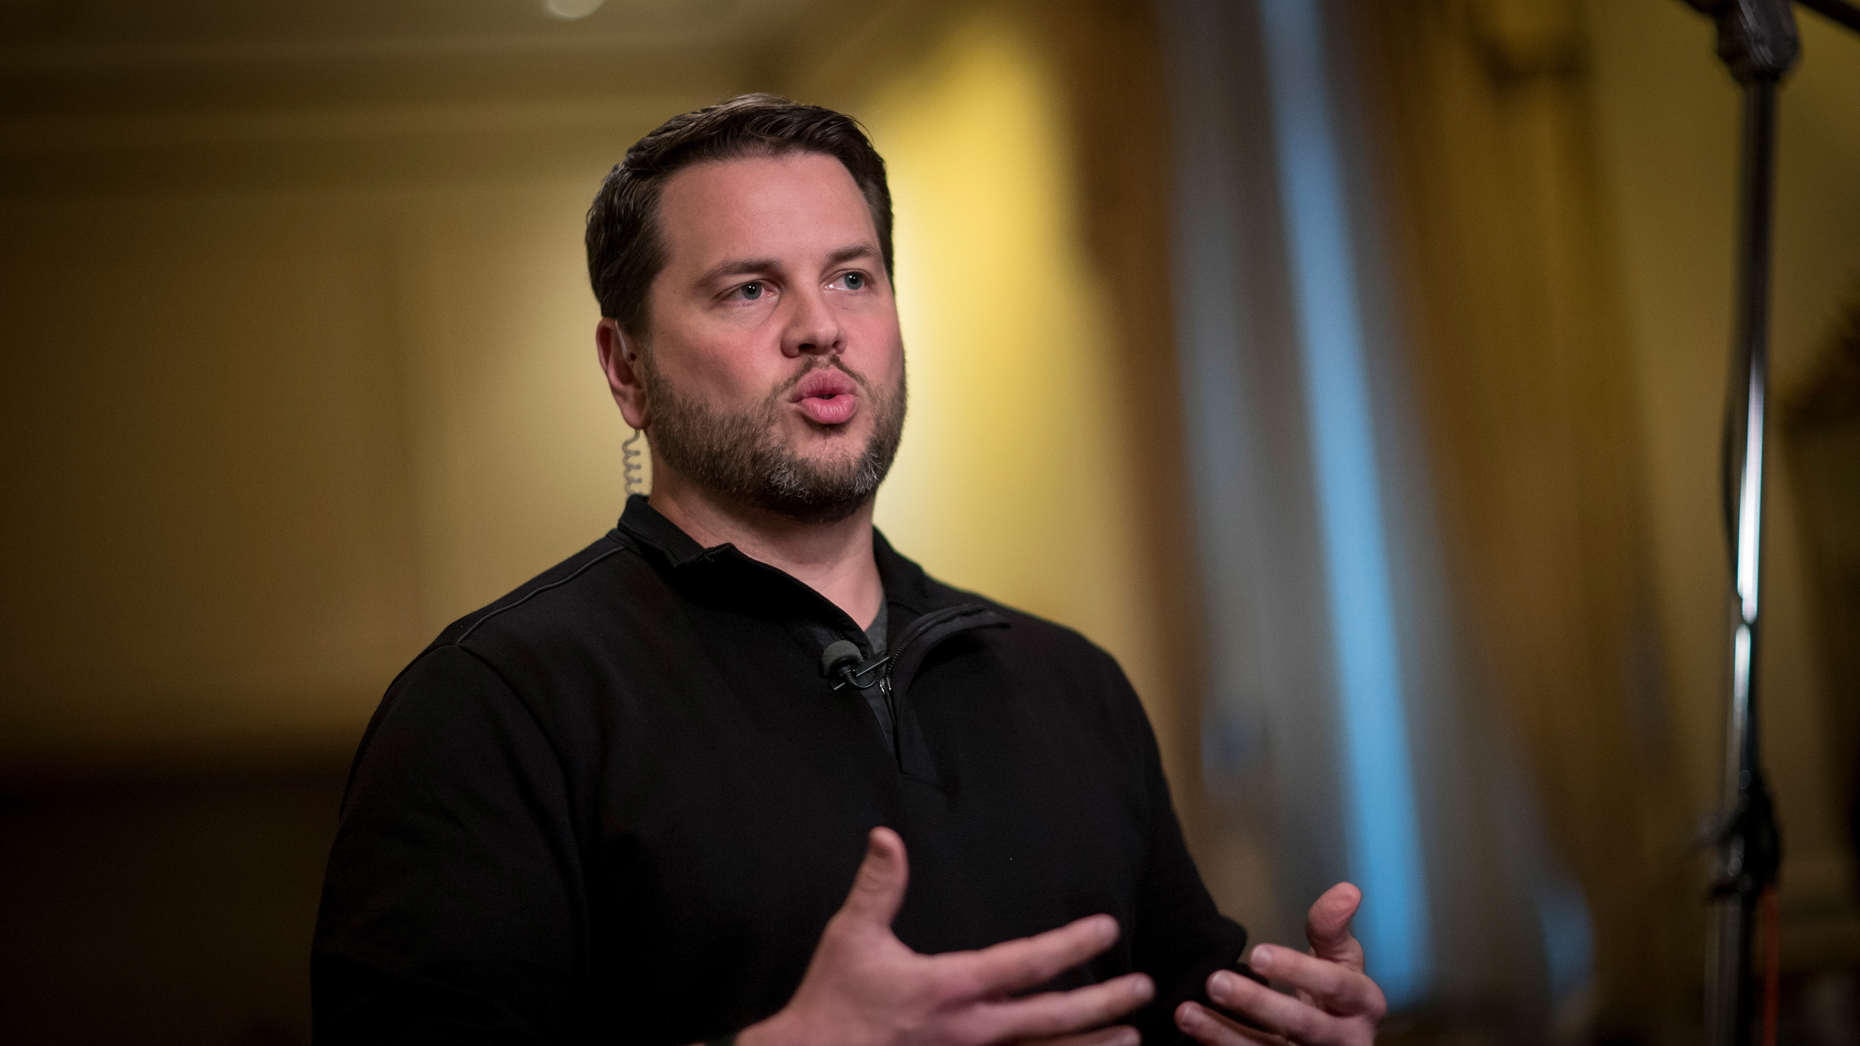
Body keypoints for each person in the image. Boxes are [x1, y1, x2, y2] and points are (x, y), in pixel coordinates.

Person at [312, 94, 1386, 1046]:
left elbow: (1172, 1011)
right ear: (624, 367)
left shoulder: (1071, 682)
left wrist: (1285, 1030)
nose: (820, 328)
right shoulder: (490, 704)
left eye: (852, 276)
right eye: (747, 290)